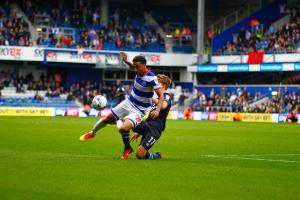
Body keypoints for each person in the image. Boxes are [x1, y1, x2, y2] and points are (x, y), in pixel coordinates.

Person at [79, 52, 164, 159]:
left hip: (139, 110)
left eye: (137, 67)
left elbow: (161, 95)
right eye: (134, 67)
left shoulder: (152, 78)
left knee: (123, 129)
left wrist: (158, 110)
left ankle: (127, 148)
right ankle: (92, 133)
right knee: (107, 119)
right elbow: (132, 66)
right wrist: (126, 61)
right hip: (128, 102)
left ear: (144, 65)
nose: (135, 70)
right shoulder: (138, 70)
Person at [130, 74, 172, 160]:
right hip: (147, 124)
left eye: (157, 82)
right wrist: (139, 132)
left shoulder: (166, 96)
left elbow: (163, 106)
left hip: (155, 129)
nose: (154, 84)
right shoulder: (155, 98)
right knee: (131, 124)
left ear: (164, 85)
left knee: (140, 155)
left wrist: (151, 96)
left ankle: (156, 155)